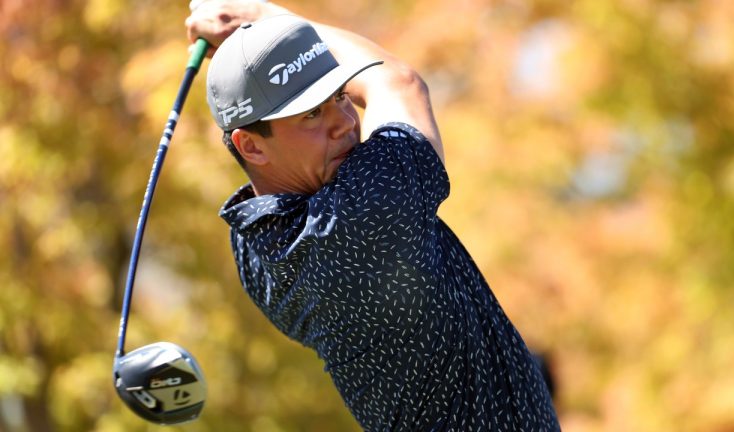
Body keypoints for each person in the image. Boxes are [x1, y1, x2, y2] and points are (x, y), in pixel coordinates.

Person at [186, 1, 560, 430]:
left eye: (340, 96)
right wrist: (262, 20)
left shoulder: (253, 247)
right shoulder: (360, 219)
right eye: (312, 113)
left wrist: (267, 54)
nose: (345, 122)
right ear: (250, 146)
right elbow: (396, 82)